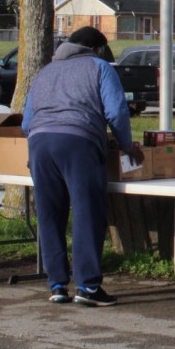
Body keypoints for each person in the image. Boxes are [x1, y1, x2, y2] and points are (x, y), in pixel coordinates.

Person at [23, 26, 144, 306]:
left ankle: (56, 285)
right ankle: (88, 287)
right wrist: (127, 145)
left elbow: (26, 122)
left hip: (40, 144)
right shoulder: (99, 67)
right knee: (87, 211)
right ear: (98, 49)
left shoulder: (45, 72)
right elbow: (116, 111)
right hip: (78, 142)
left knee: (50, 214)